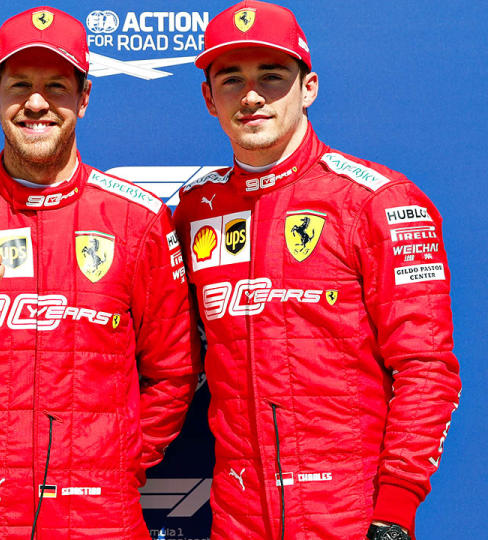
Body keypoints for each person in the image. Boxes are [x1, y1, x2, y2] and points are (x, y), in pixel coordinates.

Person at [0, 6, 197, 539]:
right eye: (20, 84)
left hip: (102, 520)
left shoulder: (139, 220)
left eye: (56, 84)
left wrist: (114, 467)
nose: (35, 102)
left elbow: (174, 373)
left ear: (85, 97)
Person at [172, 2, 461, 539]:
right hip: (237, 517)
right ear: (210, 98)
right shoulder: (197, 210)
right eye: (231, 78)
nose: (252, 95)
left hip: (350, 514)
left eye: (273, 77)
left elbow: (426, 368)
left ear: (309, 88)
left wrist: (396, 507)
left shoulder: (377, 201)